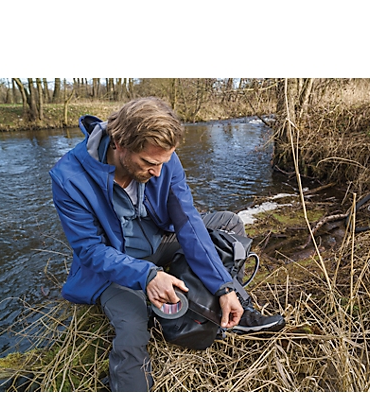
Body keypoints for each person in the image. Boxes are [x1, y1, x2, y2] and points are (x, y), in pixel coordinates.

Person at [50, 97, 285, 392]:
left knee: (228, 224)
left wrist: (224, 287)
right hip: (115, 266)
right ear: (119, 142)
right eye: (149, 163)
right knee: (133, 327)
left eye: (164, 162)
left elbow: (187, 220)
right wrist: (147, 276)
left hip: (161, 239)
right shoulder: (68, 177)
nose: (158, 172)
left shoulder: (164, 159)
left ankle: (233, 308)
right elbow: (90, 250)